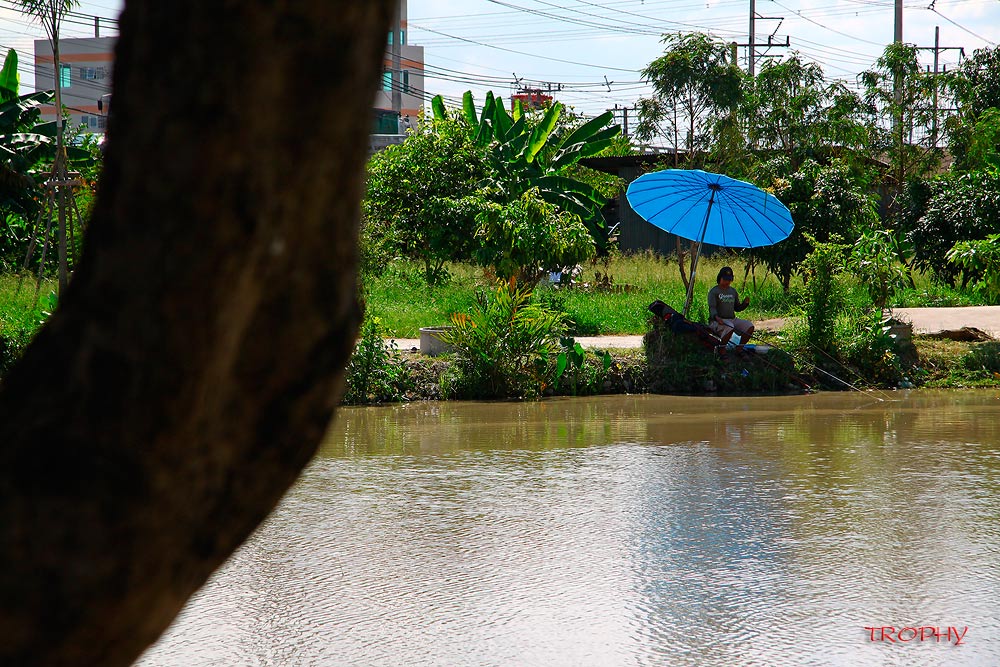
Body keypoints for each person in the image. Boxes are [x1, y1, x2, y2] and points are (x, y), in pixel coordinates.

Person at [708, 266, 754, 348]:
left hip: (732, 319)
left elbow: (737, 308)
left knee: (749, 326)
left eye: (729, 280)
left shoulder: (732, 291)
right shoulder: (714, 291)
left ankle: (739, 348)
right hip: (717, 321)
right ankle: (722, 350)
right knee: (730, 327)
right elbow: (712, 308)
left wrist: (745, 304)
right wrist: (716, 317)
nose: (727, 282)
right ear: (720, 278)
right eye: (725, 279)